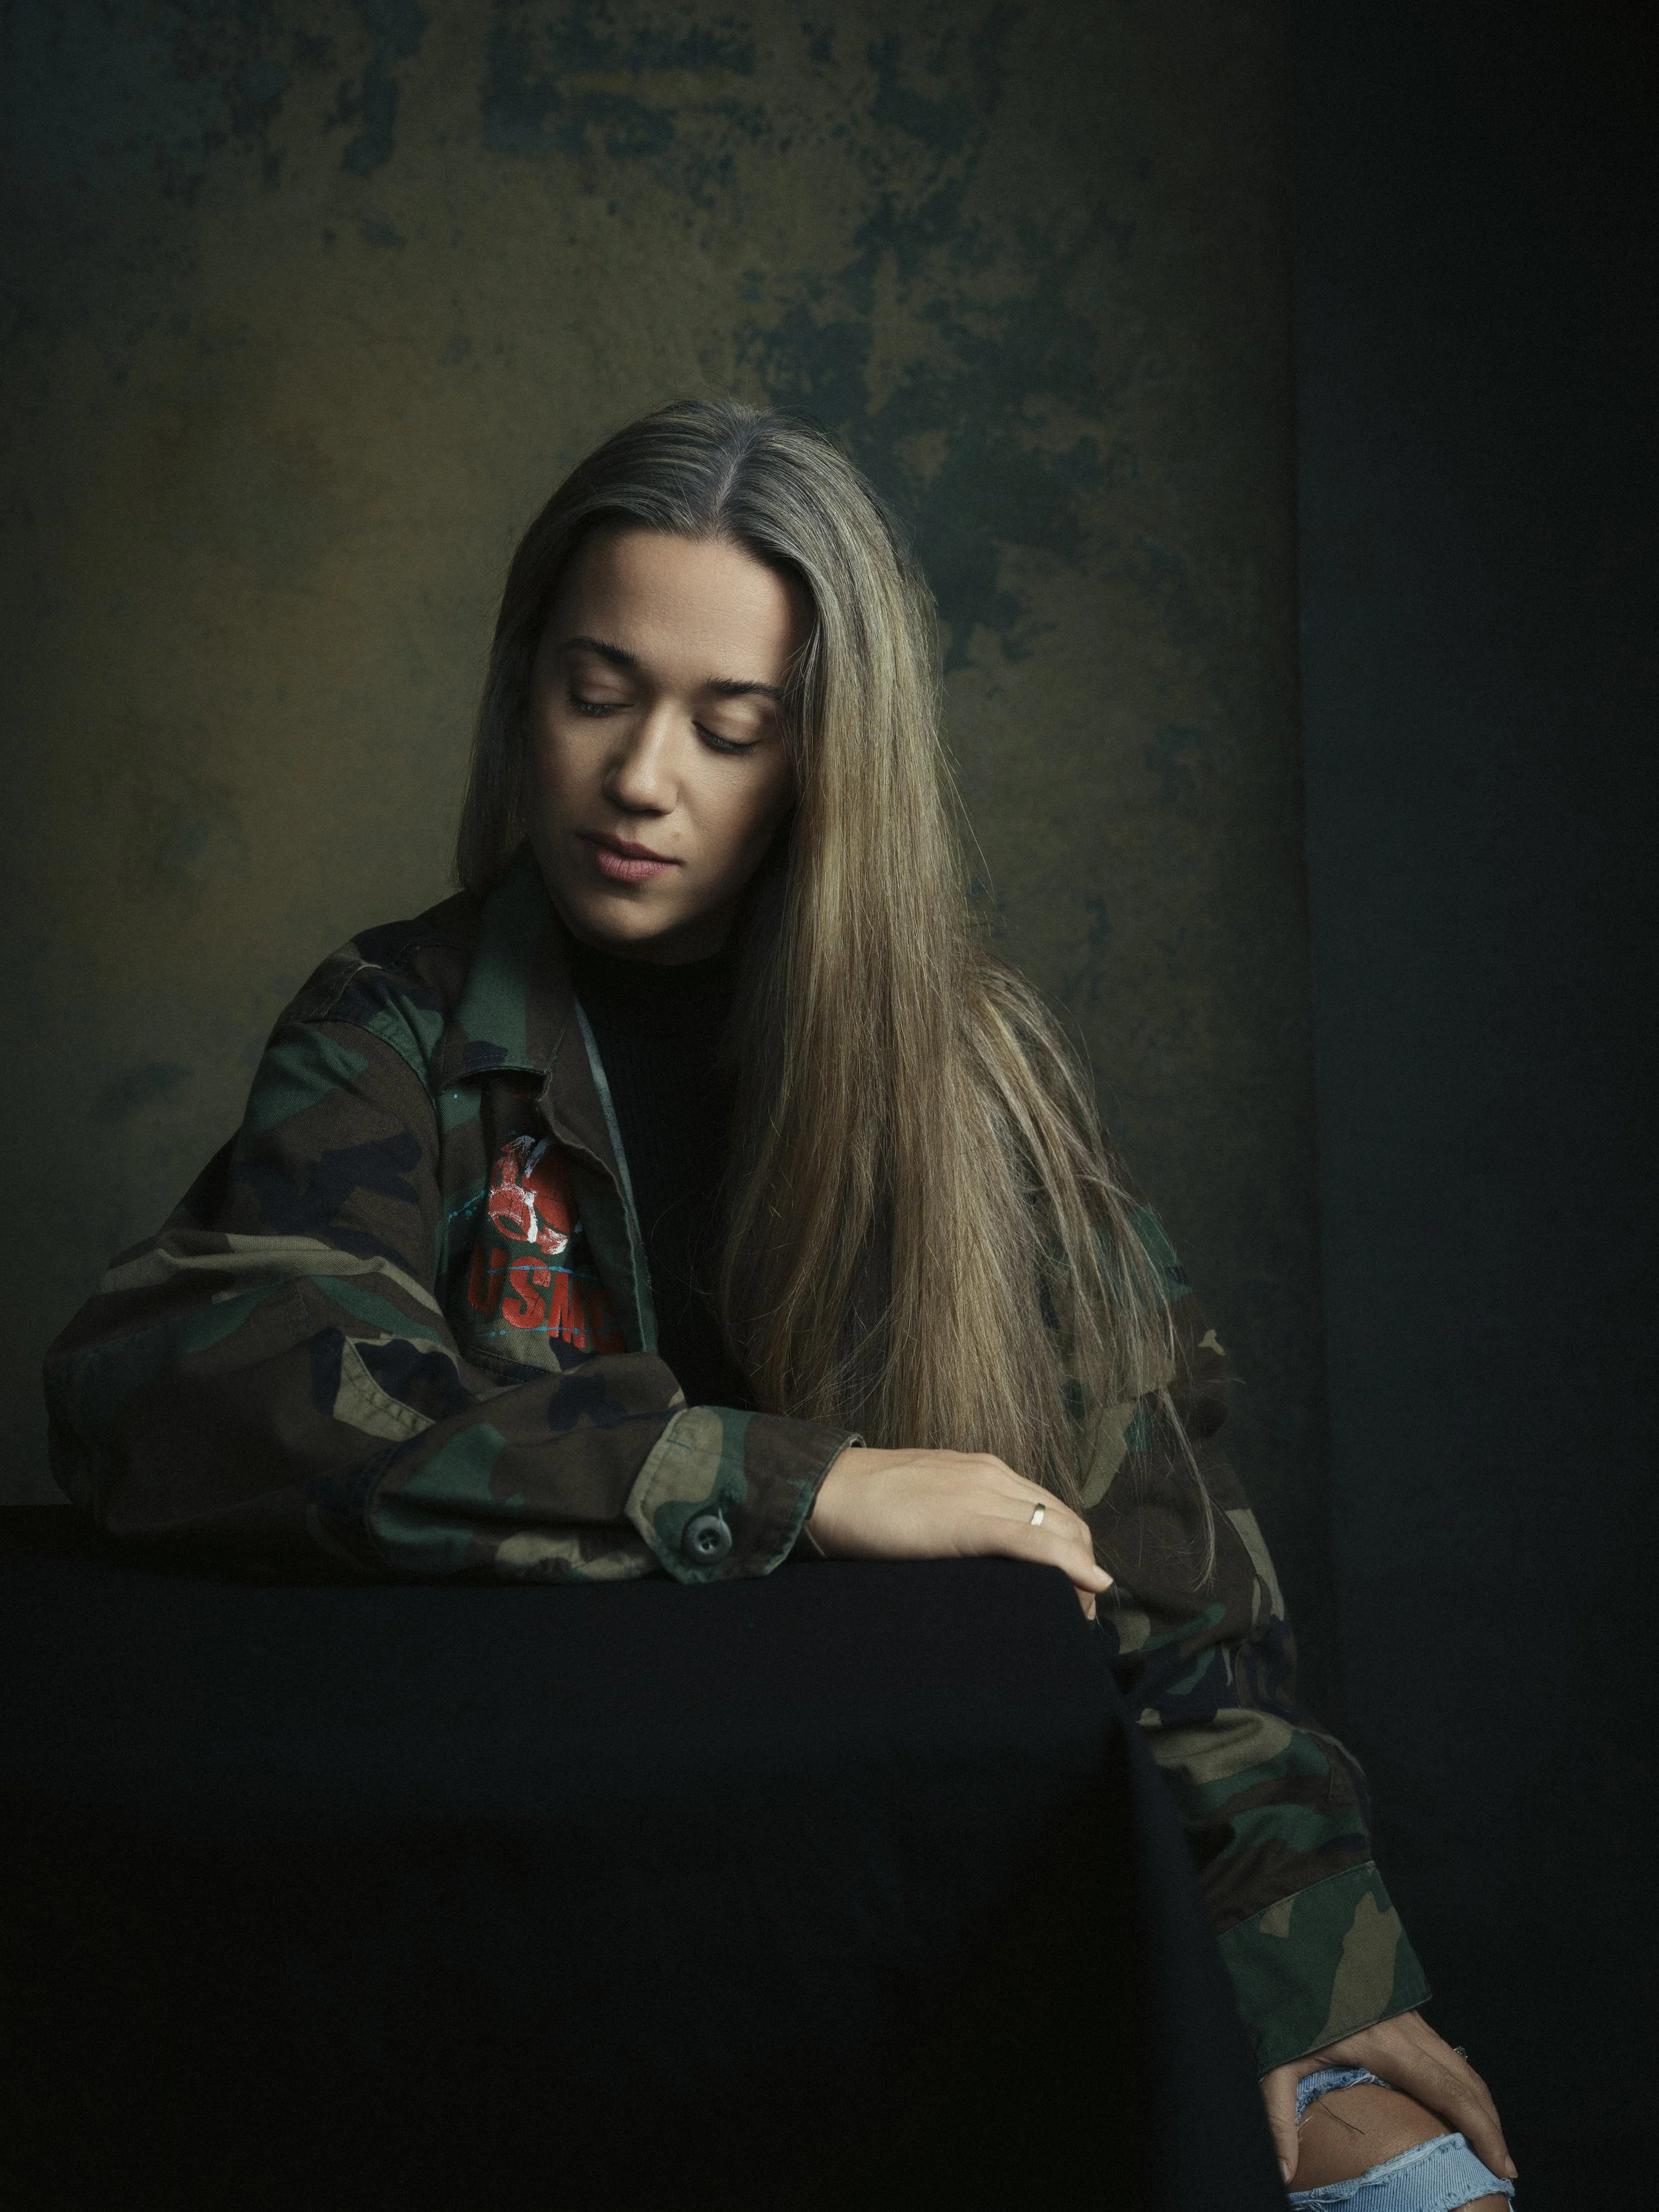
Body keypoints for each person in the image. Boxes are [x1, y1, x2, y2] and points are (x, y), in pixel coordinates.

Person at [45, 400, 1516, 2207]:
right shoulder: (398, 1029)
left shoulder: (975, 1081)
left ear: (828, 762)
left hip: (923, 1924)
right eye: (599, 689)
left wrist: (1312, 1972)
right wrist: (793, 1481)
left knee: (1414, 2195)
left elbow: (1169, 1574)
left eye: (730, 728)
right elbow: (193, 1385)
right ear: (524, 687)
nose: (641, 774)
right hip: (530, 1948)